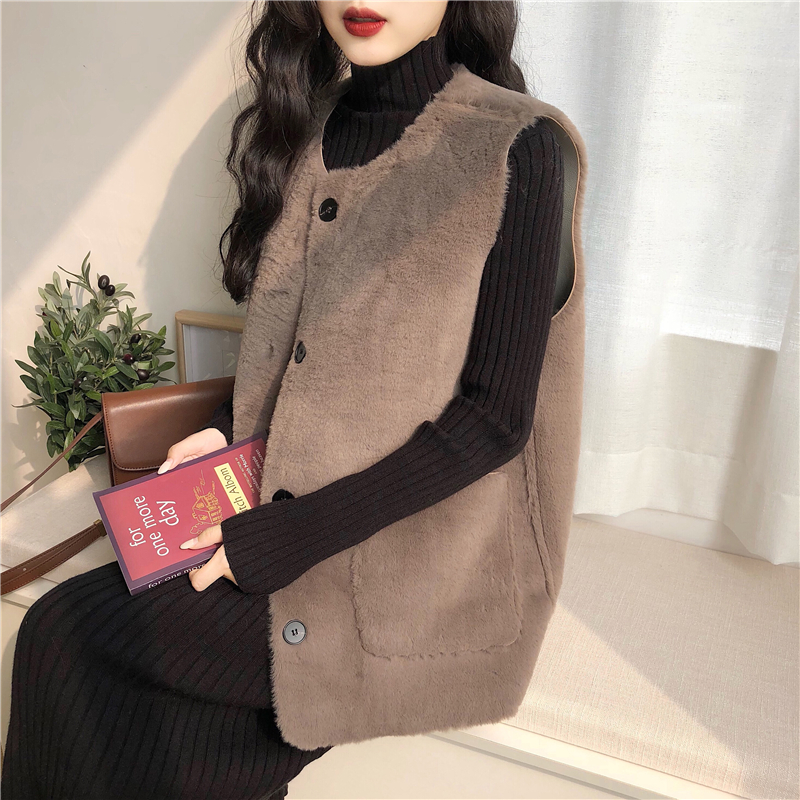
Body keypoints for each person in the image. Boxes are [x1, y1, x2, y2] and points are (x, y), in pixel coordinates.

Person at [1, 1, 568, 797]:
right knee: (73, 652)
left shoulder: (517, 144)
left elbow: (495, 420)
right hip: (276, 507)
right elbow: (306, 361)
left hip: (406, 553)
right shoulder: (309, 129)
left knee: (69, 641)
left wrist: (288, 537)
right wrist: (224, 436)